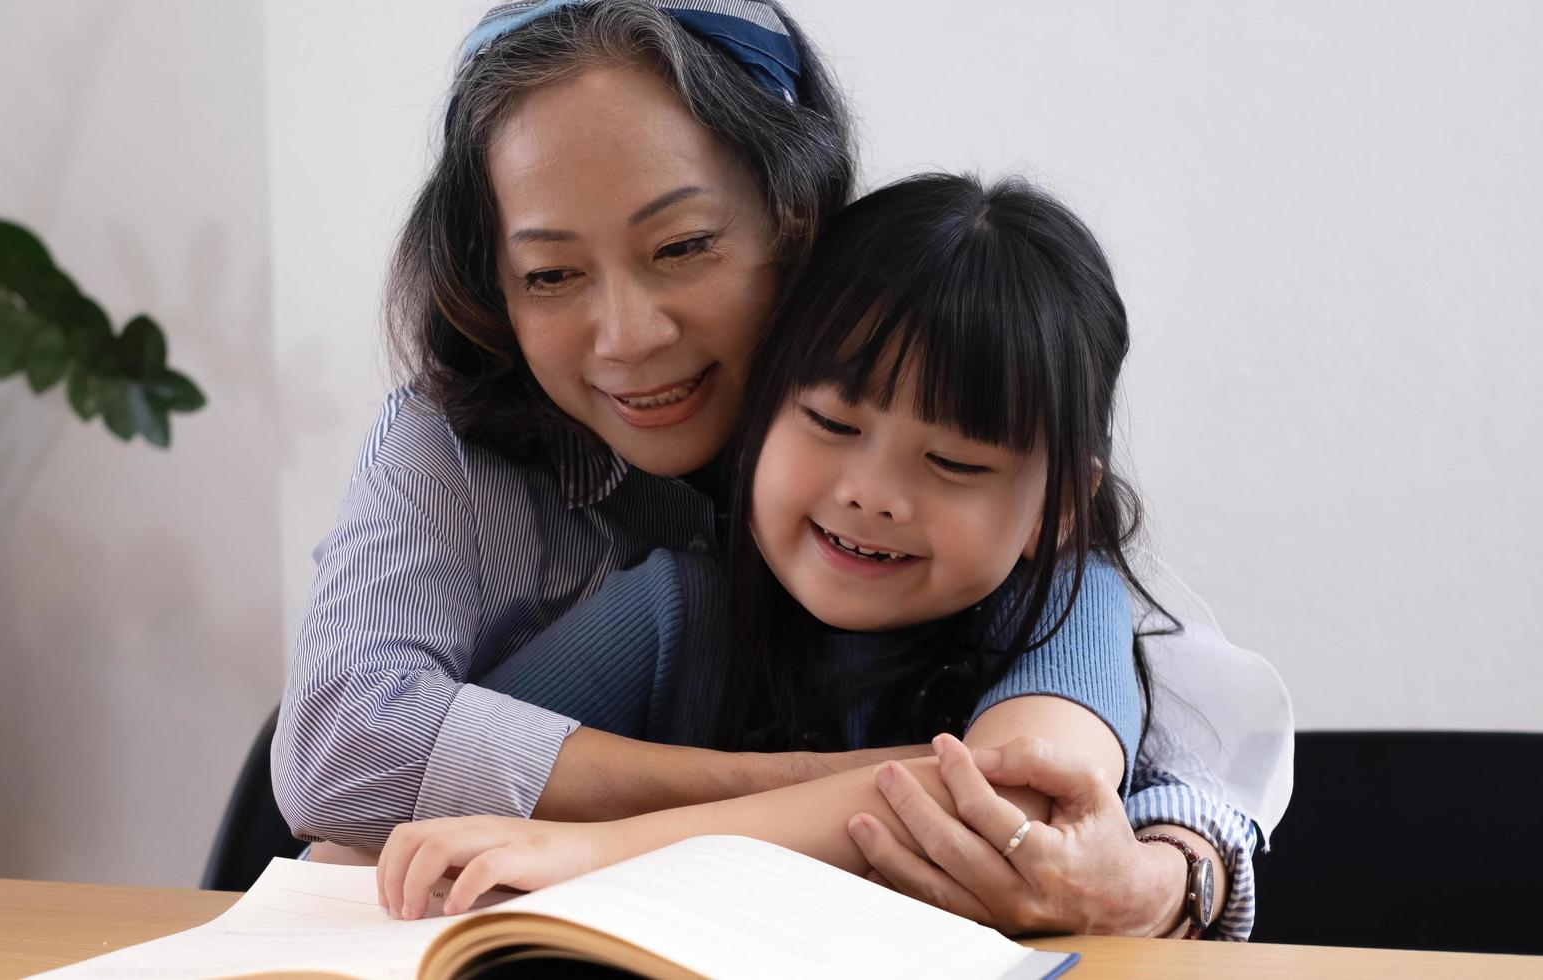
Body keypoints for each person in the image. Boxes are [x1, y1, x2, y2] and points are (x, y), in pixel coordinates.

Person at [275, 0, 1265, 939]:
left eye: (683, 245)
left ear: (793, 218)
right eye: (549, 272)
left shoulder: (1042, 569)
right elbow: (349, 780)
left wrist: (1171, 861)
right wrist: (879, 783)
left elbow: (1065, 785)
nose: (626, 338)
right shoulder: (667, 600)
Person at [376, 174, 1200, 938]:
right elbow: (454, 783)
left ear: (1055, 507)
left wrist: (598, 851)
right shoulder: (673, 610)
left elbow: (1016, 805)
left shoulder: (1060, 603)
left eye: (955, 464)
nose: (873, 494)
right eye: (833, 425)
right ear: (759, 415)